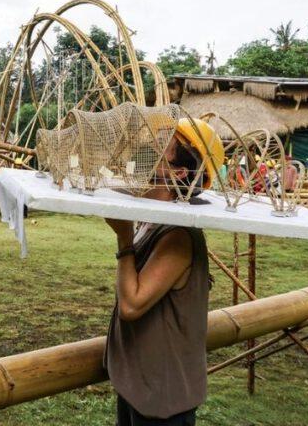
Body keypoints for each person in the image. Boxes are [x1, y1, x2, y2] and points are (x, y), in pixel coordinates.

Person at [103, 118, 221, 426]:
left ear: (179, 173)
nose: (144, 155)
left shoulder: (178, 236)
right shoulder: (151, 220)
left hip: (162, 401)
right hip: (140, 389)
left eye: (157, 151)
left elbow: (132, 305)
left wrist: (123, 238)